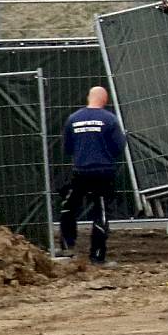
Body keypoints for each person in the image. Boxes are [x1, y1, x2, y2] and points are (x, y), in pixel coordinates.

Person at [60, 86, 127, 265]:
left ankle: (67, 246)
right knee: (101, 211)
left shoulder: (73, 119)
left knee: (69, 206)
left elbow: (67, 147)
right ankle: (97, 256)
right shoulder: (110, 120)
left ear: (88, 97)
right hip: (104, 172)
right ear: (105, 100)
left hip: (80, 171)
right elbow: (119, 147)